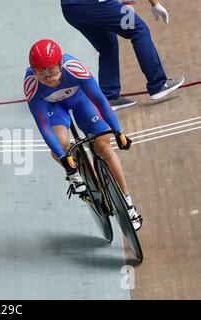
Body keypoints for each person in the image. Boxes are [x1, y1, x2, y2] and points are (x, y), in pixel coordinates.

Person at [24, 39, 142, 230]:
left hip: (80, 101)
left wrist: (118, 131)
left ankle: (128, 204)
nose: (49, 79)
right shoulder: (31, 84)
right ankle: (76, 174)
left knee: (104, 145)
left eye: (52, 72)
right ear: (33, 70)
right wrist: (63, 159)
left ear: (60, 64)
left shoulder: (74, 68)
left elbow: (100, 101)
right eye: (42, 74)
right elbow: (43, 126)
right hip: (54, 108)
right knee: (61, 144)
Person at [61, 0, 184, 111]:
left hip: (70, 9)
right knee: (139, 30)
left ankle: (109, 97)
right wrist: (154, 4)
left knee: (107, 44)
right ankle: (158, 84)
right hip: (94, 3)